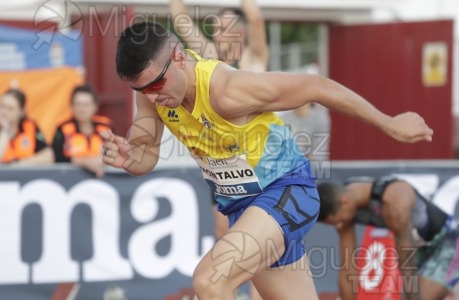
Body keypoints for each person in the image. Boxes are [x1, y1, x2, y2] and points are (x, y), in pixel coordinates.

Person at [103, 22, 433, 299]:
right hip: (246, 209)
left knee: (210, 279)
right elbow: (144, 153)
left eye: (155, 84)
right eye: (141, 89)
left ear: (178, 57)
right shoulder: (151, 94)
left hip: (287, 192)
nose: (151, 95)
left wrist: (388, 123)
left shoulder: (227, 90)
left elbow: (315, 86)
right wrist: (129, 156)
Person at [317, 176, 459, 300]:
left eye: (336, 221)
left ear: (344, 202)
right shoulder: (344, 200)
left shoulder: (393, 202)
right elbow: (348, 267)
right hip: (420, 245)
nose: (339, 225)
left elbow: (406, 263)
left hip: (449, 241)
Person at [52, 85, 111, 177]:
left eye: (86, 105)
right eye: (78, 104)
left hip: (103, 180)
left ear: (95, 106)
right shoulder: (63, 128)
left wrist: (102, 160)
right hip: (69, 179)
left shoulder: (106, 127)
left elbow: (117, 153)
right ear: (72, 106)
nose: (82, 109)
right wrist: (84, 162)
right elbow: (55, 156)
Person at [0, 89, 53, 165]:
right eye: (2, 106)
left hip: (24, 174)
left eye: (10, 109)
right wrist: (5, 131)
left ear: (21, 111)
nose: (4, 112)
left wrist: (21, 164)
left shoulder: (30, 126)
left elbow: (48, 156)